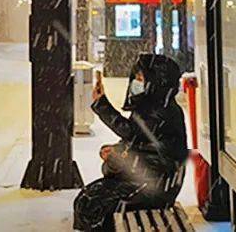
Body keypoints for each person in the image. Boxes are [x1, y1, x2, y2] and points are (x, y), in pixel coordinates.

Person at [73, 53, 188, 231]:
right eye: (136, 77)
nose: (136, 82)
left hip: (154, 186)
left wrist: (102, 105)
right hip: (148, 180)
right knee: (87, 199)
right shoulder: (153, 105)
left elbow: (131, 132)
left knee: (93, 206)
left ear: (156, 81)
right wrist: (117, 150)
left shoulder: (163, 111)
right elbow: (137, 139)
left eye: (141, 78)